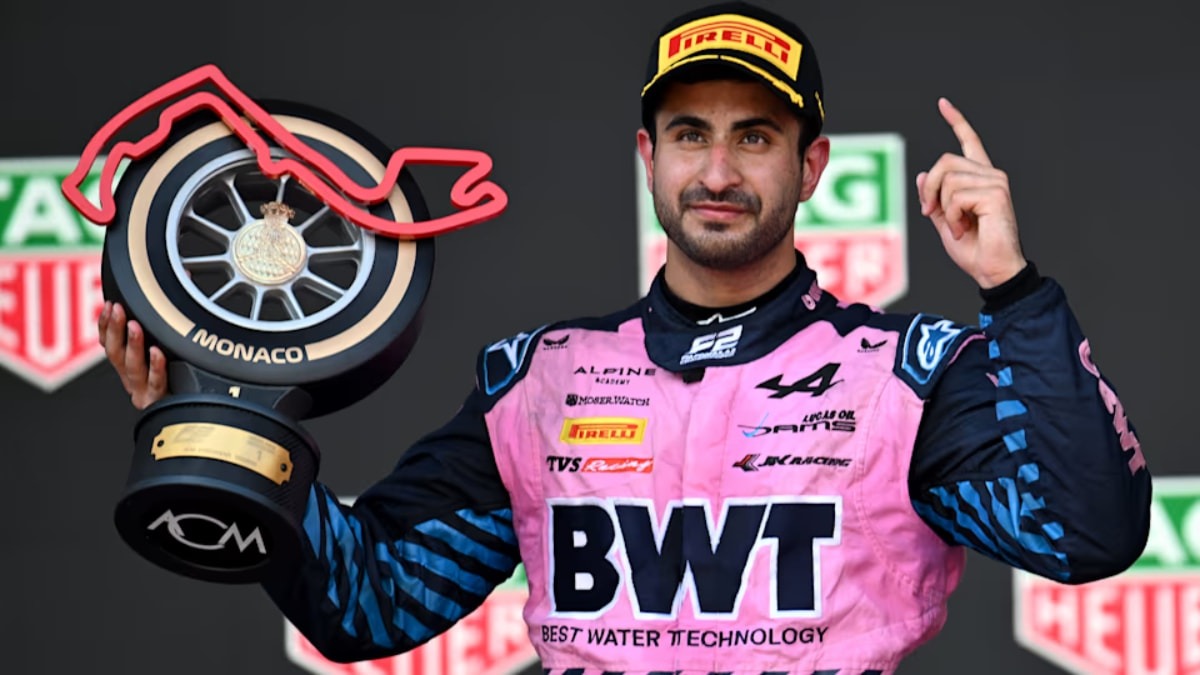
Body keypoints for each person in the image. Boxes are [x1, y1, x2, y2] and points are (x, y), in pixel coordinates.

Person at [97, 2, 1151, 672]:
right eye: (691, 135)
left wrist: (1013, 290)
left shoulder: (905, 381)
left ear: (813, 165)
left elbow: (1086, 533)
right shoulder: (539, 384)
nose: (719, 172)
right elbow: (367, 603)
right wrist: (226, 421)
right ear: (649, 157)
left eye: (755, 136)